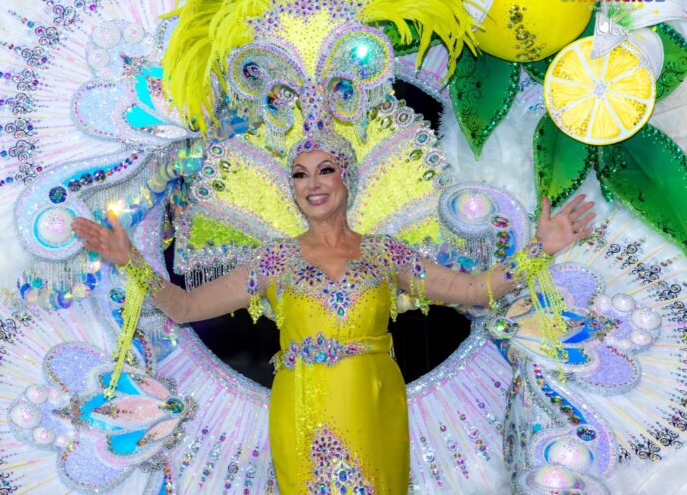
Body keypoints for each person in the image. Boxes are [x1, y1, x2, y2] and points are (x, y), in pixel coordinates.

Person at [72, 130, 595, 492]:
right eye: (299, 175)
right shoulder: (275, 259)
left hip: (374, 405)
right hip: (302, 408)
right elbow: (185, 307)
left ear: (348, 179)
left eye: (325, 170)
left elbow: (476, 290)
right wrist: (132, 261)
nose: (312, 183)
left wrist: (540, 252)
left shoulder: (385, 252)